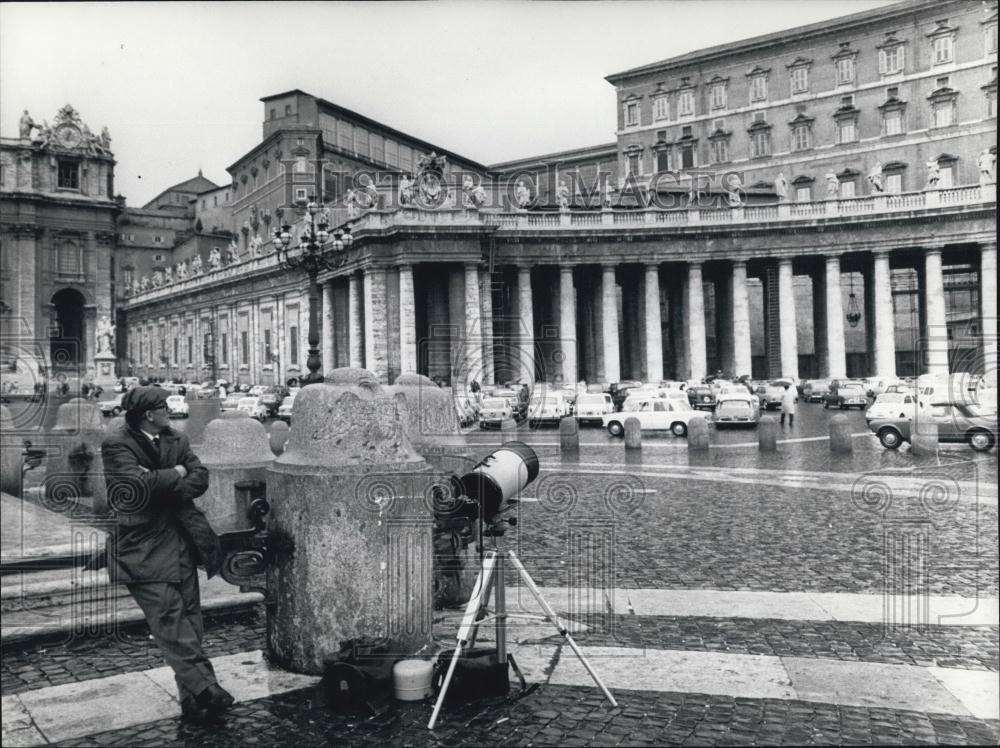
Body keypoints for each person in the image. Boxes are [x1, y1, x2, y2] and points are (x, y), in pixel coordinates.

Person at [99, 386, 231, 723]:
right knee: (169, 618)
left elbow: (199, 476)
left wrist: (165, 481)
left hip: (181, 539)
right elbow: (134, 488)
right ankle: (207, 687)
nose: (170, 409)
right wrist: (176, 474)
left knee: (190, 618)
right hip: (141, 545)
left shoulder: (176, 438)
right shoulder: (117, 443)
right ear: (148, 414)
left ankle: (193, 699)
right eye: (163, 406)